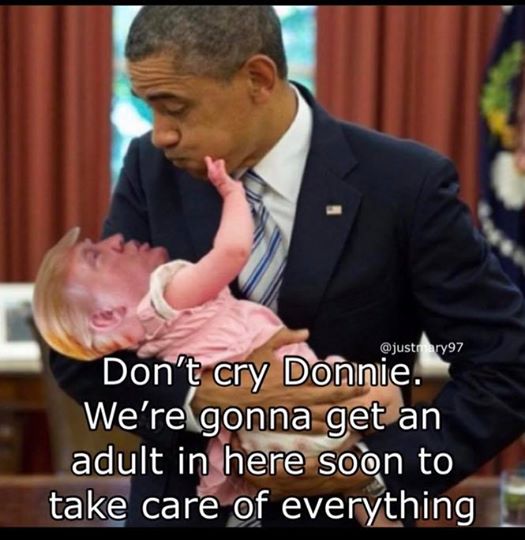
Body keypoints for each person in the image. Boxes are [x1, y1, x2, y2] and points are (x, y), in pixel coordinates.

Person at [47, 6, 525, 528]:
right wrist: (200, 398)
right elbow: (79, 355)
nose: (160, 134)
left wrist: (370, 474)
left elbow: (505, 365)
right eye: (149, 108)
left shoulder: (405, 184)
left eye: (174, 107)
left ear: (258, 78)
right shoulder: (150, 167)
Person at [33, 156, 403, 513]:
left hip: (261, 448)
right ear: (107, 316)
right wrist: (232, 193)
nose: (113, 239)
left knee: (362, 461)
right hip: (299, 419)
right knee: (381, 396)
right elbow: (232, 251)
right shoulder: (166, 294)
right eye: (95, 256)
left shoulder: (143, 334)